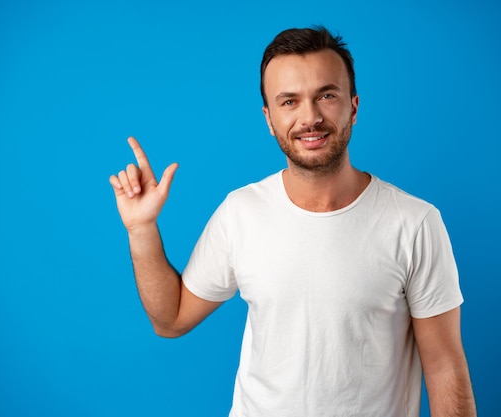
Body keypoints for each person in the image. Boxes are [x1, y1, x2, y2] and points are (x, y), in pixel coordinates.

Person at [109, 26, 476, 417]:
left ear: (353, 106)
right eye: (289, 102)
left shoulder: (415, 223)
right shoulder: (241, 212)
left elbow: (444, 368)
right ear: (269, 118)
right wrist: (141, 230)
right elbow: (171, 320)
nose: (310, 117)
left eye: (326, 95)